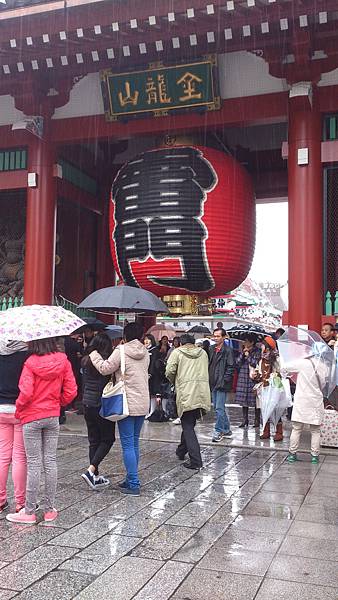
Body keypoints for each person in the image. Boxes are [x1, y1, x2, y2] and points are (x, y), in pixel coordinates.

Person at [6, 337, 77, 525]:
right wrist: (57, 404)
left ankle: (29, 511)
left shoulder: (30, 363)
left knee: (34, 463)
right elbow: (71, 391)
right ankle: (49, 510)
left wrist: (19, 409)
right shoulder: (63, 360)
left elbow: (26, 393)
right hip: (52, 416)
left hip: (31, 417)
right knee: (50, 461)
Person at [90, 322, 149, 496]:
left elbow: (105, 368)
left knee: (128, 444)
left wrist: (94, 354)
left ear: (125, 336)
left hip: (126, 402)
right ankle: (131, 478)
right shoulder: (146, 352)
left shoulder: (121, 350)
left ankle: (133, 483)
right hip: (142, 401)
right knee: (134, 442)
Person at [165, 334, 211, 470]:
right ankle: (181, 450)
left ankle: (196, 460)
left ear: (181, 343)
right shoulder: (203, 353)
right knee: (189, 422)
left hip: (185, 391)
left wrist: (175, 381)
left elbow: (169, 371)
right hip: (201, 391)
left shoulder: (177, 352)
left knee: (188, 426)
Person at [81, 332, 115, 490]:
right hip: (102, 404)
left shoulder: (85, 360)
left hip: (87, 403)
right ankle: (91, 470)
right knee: (108, 439)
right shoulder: (106, 363)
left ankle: (94, 476)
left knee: (93, 440)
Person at [287, 342, 330, 464]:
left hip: (301, 400)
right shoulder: (324, 367)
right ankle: (315, 456)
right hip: (315, 400)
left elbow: (285, 367)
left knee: (296, 428)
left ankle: (292, 454)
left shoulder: (303, 363)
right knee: (315, 430)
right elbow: (323, 385)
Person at [0, 339, 28, 514]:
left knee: (3, 456)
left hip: (0, 409)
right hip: (20, 408)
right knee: (19, 457)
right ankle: (21, 502)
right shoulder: (26, 355)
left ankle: (1, 500)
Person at [253, 336, 283, 441]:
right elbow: (258, 369)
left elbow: (281, 371)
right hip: (263, 387)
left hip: (274, 387)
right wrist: (256, 374)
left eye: (263, 345)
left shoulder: (277, 359)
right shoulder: (261, 359)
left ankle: (279, 432)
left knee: (275, 409)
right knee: (264, 409)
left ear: (268, 347)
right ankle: (266, 430)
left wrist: (274, 375)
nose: (261, 347)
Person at [209, 328, 234, 442]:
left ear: (224, 337)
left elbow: (230, 367)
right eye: (214, 336)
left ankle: (218, 430)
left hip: (222, 383)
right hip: (213, 381)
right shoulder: (211, 349)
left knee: (219, 408)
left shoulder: (228, 350)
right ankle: (227, 429)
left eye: (218, 336)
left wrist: (224, 380)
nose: (215, 338)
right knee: (218, 408)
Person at [235, 334, 261, 428]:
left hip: (253, 377)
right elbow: (237, 363)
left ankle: (257, 420)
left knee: (255, 399)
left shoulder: (257, 351)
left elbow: (256, 363)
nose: (244, 343)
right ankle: (244, 420)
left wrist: (248, 355)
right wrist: (242, 354)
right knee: (243, 399)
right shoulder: (243, 350)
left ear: (252, 342)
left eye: (246, 341)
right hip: (243, 376)